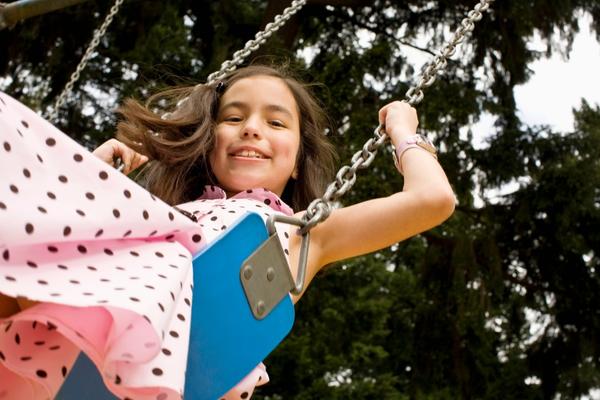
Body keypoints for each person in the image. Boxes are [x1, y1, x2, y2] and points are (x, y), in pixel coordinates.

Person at [0, 64, 454, 399]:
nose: (252, 129)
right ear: (209, 142)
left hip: (188, 358)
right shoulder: (169, 213)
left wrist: (402, 131)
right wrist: (87, 178)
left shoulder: (307, 235)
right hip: (61, 340)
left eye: (275, 123)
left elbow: (432, 200)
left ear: (297, 160)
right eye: (233, 118)